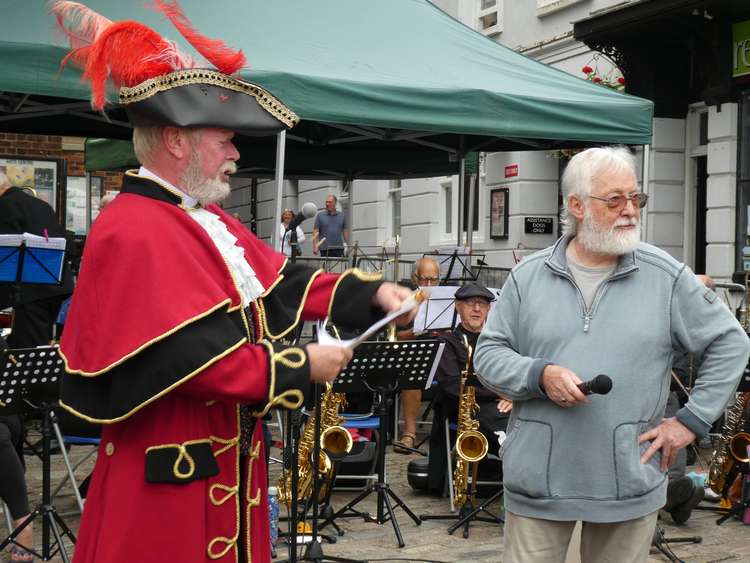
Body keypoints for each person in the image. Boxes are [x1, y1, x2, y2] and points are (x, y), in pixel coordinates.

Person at [52, 3, 414, 562]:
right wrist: (300, 366)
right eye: (224, 140)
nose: (236, 155)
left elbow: (279, 282)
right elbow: (191, 356)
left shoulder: (201, 216)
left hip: (223, 453)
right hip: (168, 468)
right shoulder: (135, 227)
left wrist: (367, 295)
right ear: (177, 141)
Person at [474, 146, 750, 563]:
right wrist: (539, 375)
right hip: (539, 485)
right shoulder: (527, 277)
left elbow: (732, 342)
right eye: (614, 199)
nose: (630, 211)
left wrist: (690, 422)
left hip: (627, 482)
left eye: (635, 198)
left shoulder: (665, 276)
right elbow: (488, 355)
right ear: (577, 206)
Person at [0, 170, 74, 562]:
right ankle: (25, 405)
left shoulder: (7, 207)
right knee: (30, 350)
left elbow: (5, 263)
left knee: (23, 355)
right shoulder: (40, 204)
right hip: (54, 289)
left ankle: (22, 403)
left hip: (28, 290)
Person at [427, 282, 509, 492]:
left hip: (501, 405)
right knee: (511, 441)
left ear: (489, 309)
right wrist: (498, 392)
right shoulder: (447, 342)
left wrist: (512, 395)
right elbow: (453, 387)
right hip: (463, 408)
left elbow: (512, 373)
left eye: (482, 304)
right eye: (470, 303)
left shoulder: (499, 341)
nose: (477, 309)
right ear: (457, 306)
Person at [393, 256, 441, 453]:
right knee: (412, 373)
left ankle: (455, 432)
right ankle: (409, 433)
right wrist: (417, 331)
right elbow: (395, 337)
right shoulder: (406, 300)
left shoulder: (448, 299)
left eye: (433, 279)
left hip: (443, 355)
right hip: (416, 355)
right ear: (415, 278)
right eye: (424, 279)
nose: (429, 284)